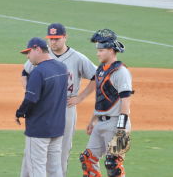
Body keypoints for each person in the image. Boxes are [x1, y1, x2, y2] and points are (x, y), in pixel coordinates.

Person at [21, 23, 96, 176]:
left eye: (57, 38)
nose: (53, 42)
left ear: (65, 37)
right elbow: (24, 72)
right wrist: (31, 91)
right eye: (51, 39)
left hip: (66, 107)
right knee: (33, 152)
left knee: (61, 152)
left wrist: (80, 97)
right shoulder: (43, 55)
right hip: (43, 107)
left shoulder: (78, 58)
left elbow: (97, 77)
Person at [80, 29, 134, 177]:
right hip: (100, 123)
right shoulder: (100, 71)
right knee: (87, 159)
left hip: (116, 123)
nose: (98, 53)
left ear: (111, 50)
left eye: (101, 50)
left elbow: (125, 100)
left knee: (113, 164)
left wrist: (121, 128)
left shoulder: (121, 72)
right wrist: (92, 120)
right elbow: (100, 99)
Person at [16, 37, 68, 177]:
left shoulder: (38, 72)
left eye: (28, 52)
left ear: (37, 49)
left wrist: (20, 112)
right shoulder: (62, 67)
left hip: (39, 129)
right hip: (57, 127)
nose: (27, 56)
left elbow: (30, 99)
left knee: (36, 169)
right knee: (55, 169)